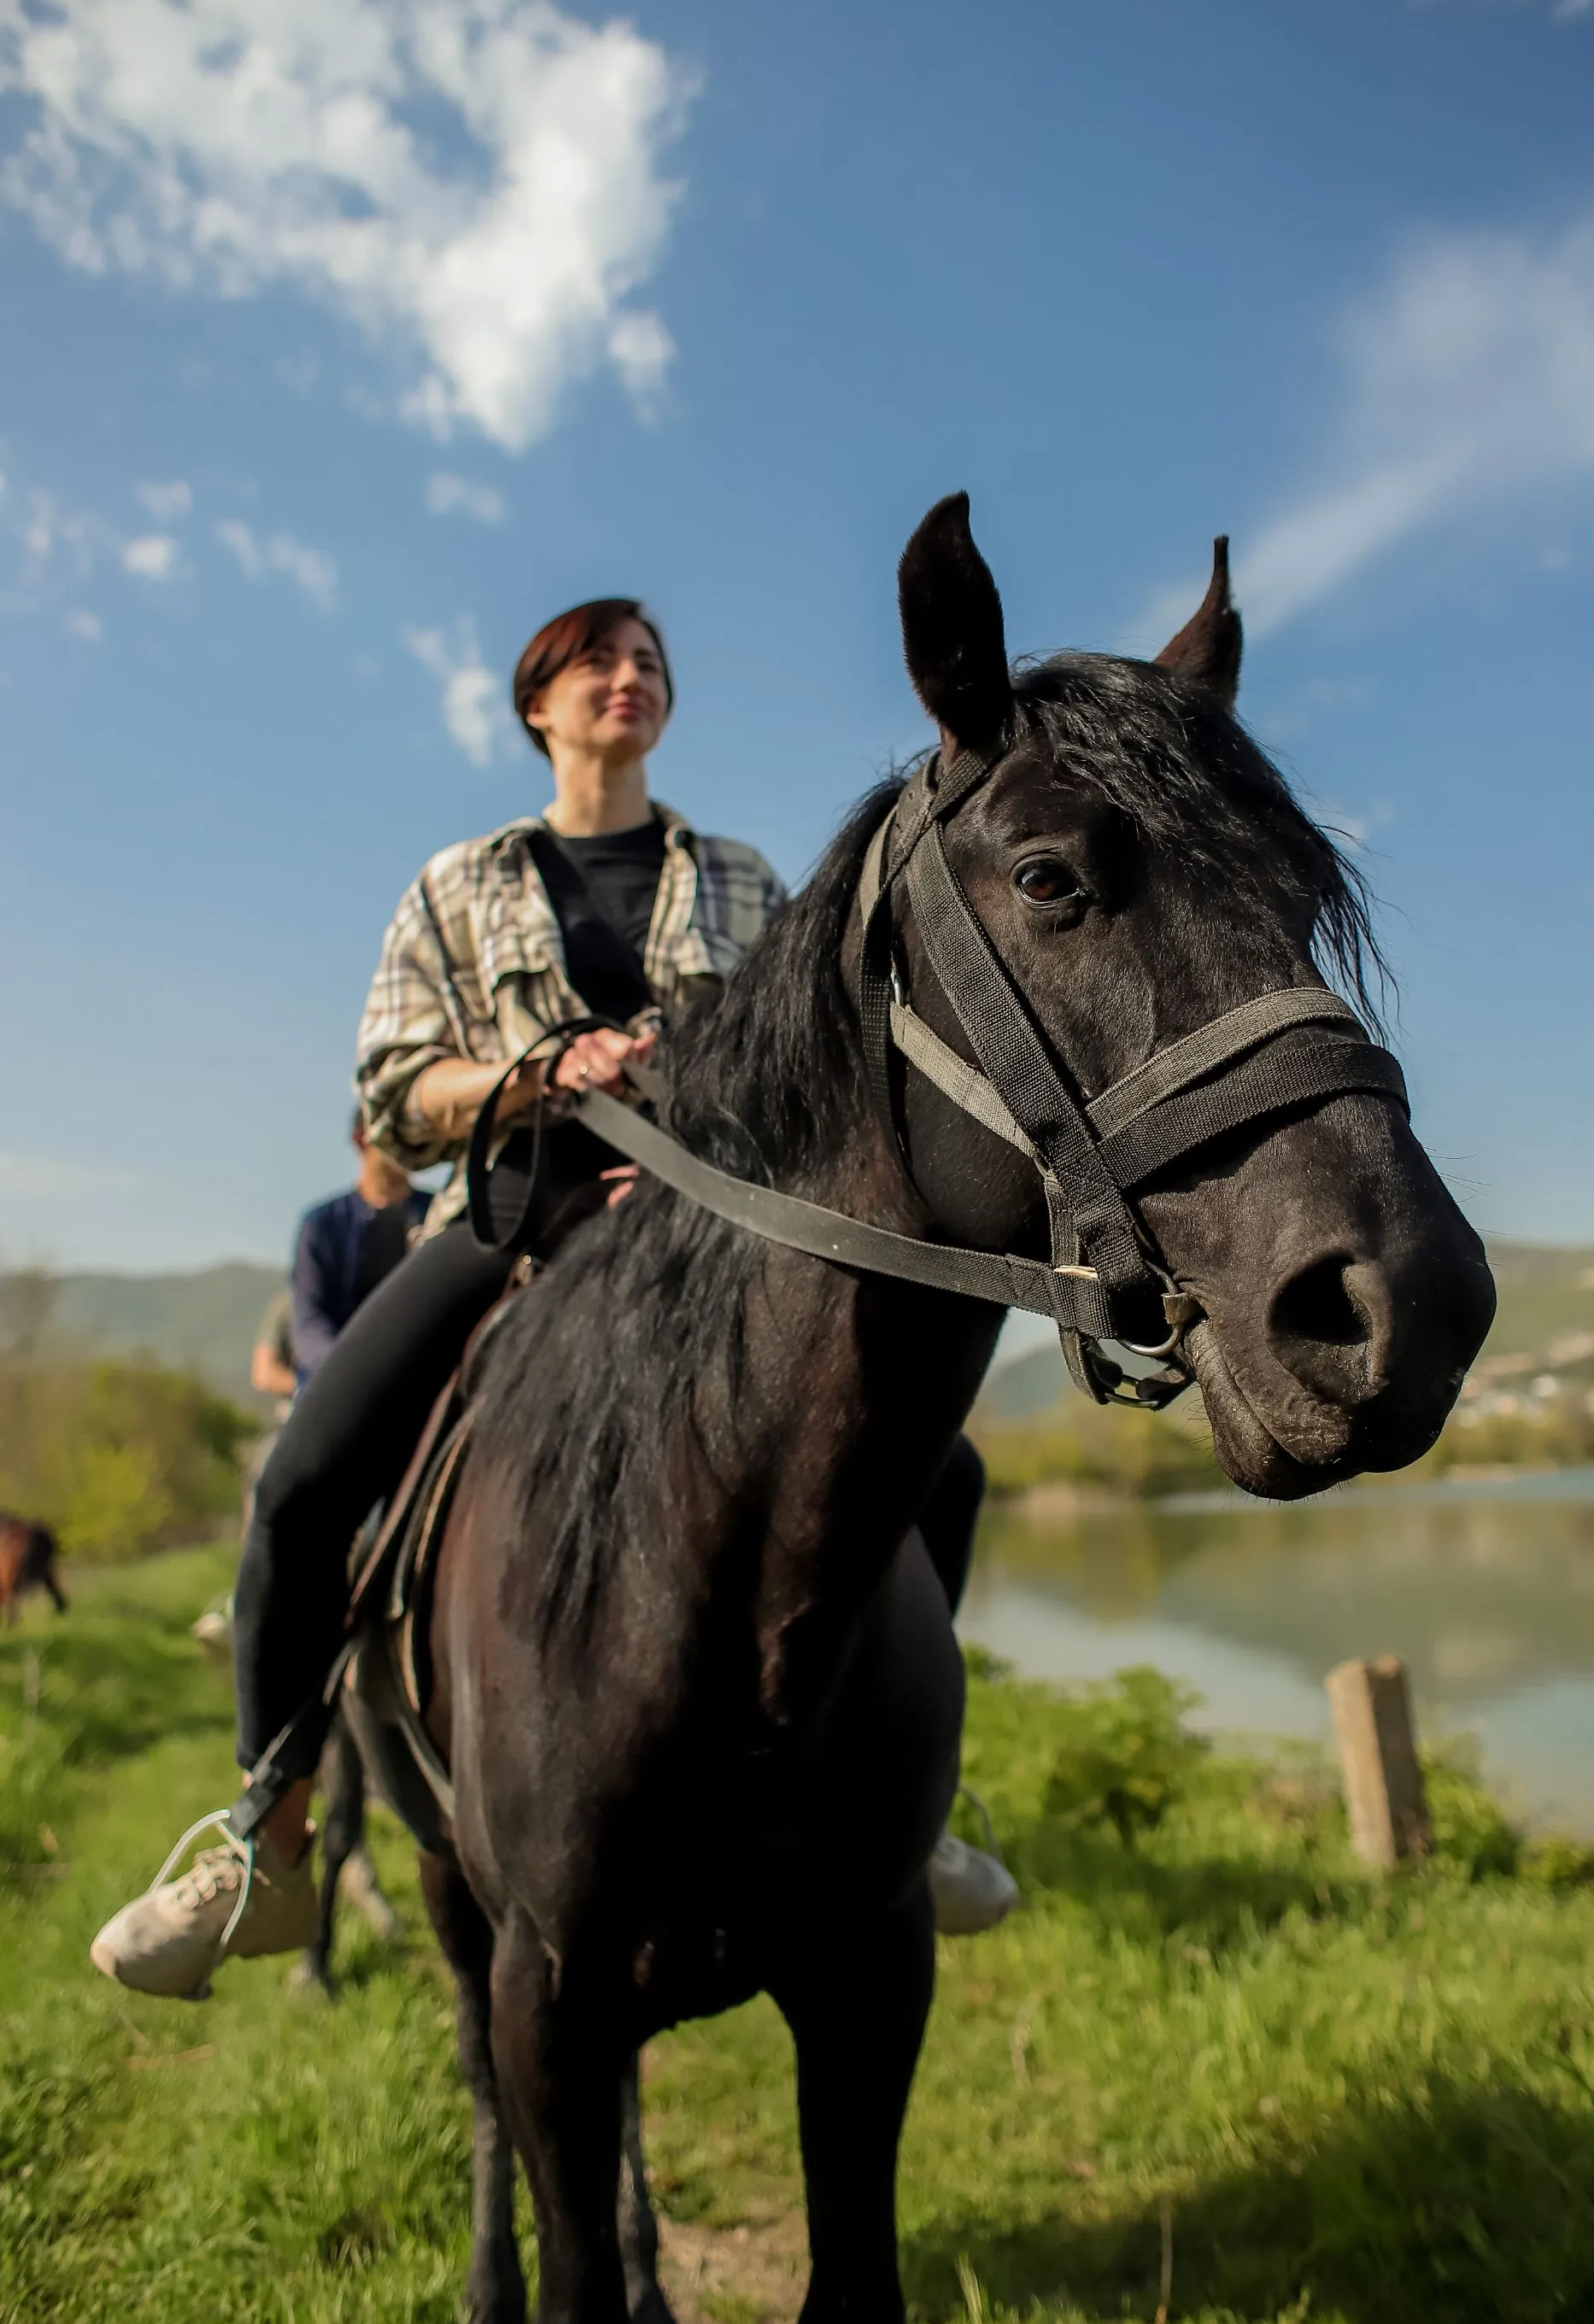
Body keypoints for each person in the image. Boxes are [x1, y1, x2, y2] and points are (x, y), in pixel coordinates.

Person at [91, 598, 1015, 2000]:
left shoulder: (747, 882)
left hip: (712, 1242)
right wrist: (534, 1076)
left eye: (649, 661)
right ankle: (268, 1834)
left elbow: (818, 1078)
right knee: (300, 1483)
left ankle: (909, 1807)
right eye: (596, 661)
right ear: (539, 703)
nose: (627, 678)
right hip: (513, 1222)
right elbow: (396, 1098)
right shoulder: (455, 885)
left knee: (941, 1470)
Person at [290, 1113, 430, 1384]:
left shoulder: (441, 1215)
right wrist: (351, 1373)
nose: (408, 1144)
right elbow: (309, 1323)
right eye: (396, 1133)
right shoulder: (322, 1225)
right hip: (338, 1382)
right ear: (360, 1140)